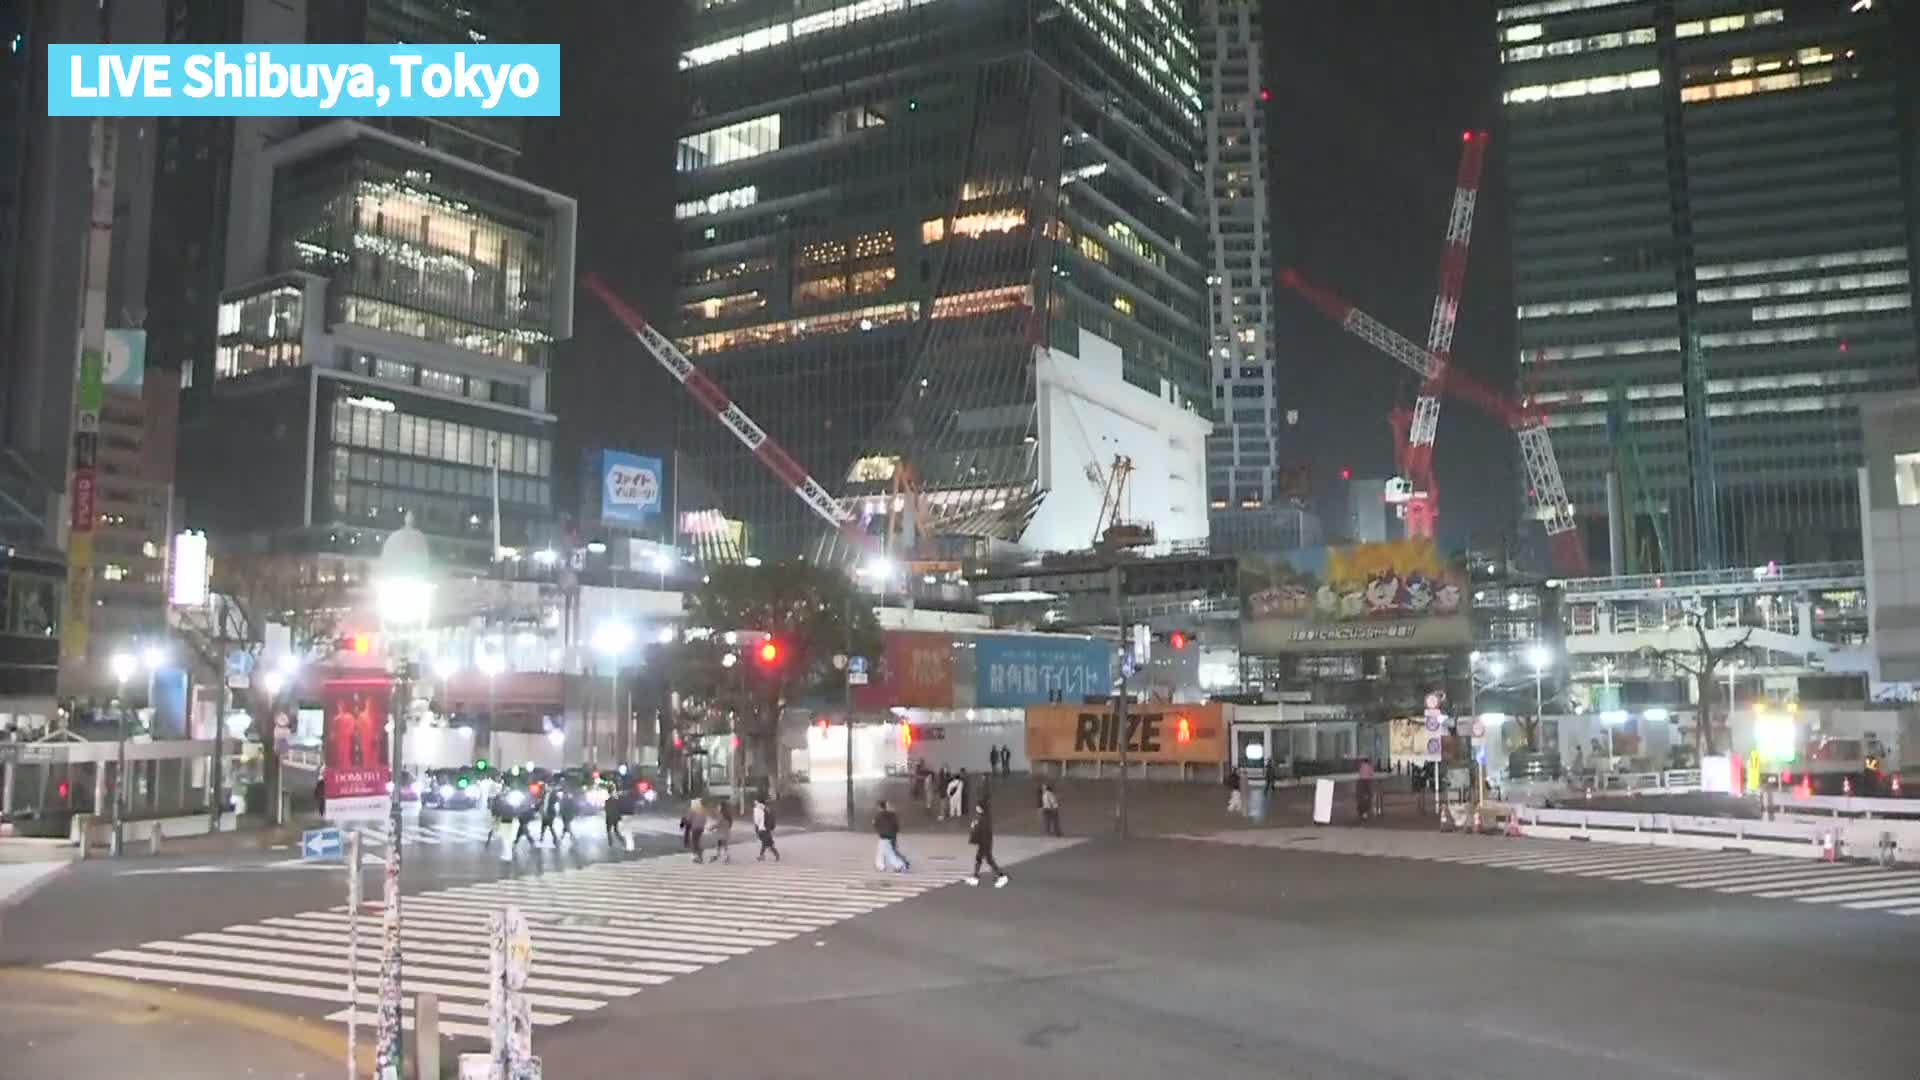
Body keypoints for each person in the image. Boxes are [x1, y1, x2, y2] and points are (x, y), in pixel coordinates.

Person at [965, 801, 1007, 888]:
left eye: (978, 807)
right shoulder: (982, 817)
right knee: (980, 859)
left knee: (988, 860)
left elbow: (982, 830)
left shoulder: (984, 818)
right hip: (983, 842)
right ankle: (975, 877)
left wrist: (974, 826)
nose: (976, 808)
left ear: (981, 808)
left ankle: (1002, 876)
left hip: (985, 842)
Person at [872, 799, 908, 872]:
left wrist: (874, 823)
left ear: (879, 807)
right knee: (881, 852)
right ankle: (880, 866)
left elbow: (875, 824)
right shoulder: (891, 815)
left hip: (884, 837)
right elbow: (896, 826)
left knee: (889, 854)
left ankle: (899, 865)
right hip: (890, 837)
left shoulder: (879, 816)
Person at [753, 795, 780, 861]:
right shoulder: (763, 809)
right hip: (764, 829)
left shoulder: (763, 810)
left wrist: (767, 828)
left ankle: (762, 856)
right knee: (768, 844)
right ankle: (776, 855)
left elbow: (759, 821)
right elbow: (759, 820)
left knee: (765, 843)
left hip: (764, 829)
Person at [686, 798, 708, 863]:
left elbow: (689, 819)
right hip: (701, 828)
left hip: (695, 828)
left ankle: (696, 855)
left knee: (694, 842)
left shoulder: (692, 810)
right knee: (697, 841)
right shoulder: (703, 810)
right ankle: (699, 855)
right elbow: (705, 819)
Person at [1357, 757, 1376, 822]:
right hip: (1368, 781)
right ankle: (1367, 811)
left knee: (1361, 796)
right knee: (1369, 796)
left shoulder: (1361, 765)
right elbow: (1371, 774)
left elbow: (1360, 773)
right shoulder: (1369, 766)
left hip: (1361, 781)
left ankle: (1362, 811)